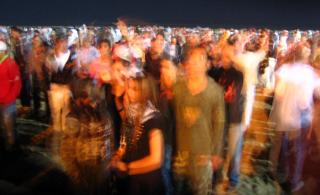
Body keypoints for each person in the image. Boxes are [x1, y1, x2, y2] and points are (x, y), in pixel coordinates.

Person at [172, 47, 225, 195]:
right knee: (179, 188)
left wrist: (215, 153)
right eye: (191, 61)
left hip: (203, 154)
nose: (193, 65)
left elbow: (219, 124)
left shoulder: (215, 91)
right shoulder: (178, 88)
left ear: (206, 65)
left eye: (198, 61)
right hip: (181, 152)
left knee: (200, 190)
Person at [269, 43, 320, 193]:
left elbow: (278, 93)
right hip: (300, 121)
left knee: (282, 147)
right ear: (306, 57)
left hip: (283, 117)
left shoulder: (284, 70)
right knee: (299, 151)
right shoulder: (309, 73)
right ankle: (294, 181)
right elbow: (309, 99)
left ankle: (277, 173)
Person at [111, 70, 166, 195]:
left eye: (134, 89)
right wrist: (118, 155)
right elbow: (126, 142)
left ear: (144, 92)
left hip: (148, 184)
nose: (129, 92)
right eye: (129, 88)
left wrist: (128, 167)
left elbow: (156, 159)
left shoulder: (153, 118)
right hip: (132, 182)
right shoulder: (132, 113)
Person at [0, 41, 22, 150]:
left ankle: (12, 148)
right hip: (2, 101)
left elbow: (17, 84)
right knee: (4, 126)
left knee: (10, 127)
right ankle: (7, 145)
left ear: (3, 52)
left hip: (8, 102)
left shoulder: (10, 64)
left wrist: (10, 98)